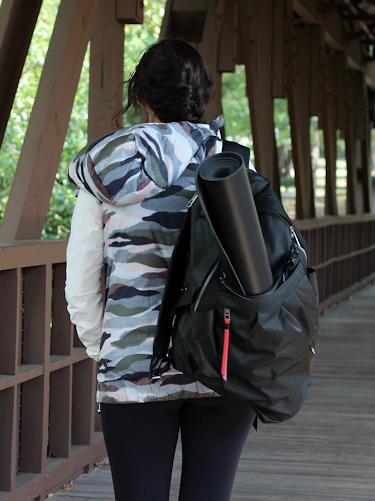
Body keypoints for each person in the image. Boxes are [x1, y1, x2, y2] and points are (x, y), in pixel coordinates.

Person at [65, 39, 256, 501]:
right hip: (223, 361)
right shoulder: (234, 165)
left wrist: (107, 348)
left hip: (136, 367)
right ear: (202, 94)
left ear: (142, 98)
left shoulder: (105, 175)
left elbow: (81, 281)